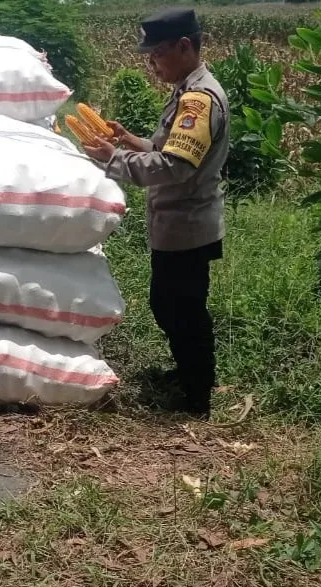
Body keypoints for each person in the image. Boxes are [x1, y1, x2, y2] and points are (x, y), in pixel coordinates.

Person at [81, 8, 229, 416]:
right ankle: (190, 372)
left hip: (188, 227)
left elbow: (175, 167)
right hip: (177, 226)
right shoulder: (187, 90)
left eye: (157, 53)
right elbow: (170, 151)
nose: (151, 62)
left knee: (179, 307)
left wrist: (114, 160)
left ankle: (197, 392)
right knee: (174, 304)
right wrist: (129, 141)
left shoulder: (199, 100)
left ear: (184, 47)